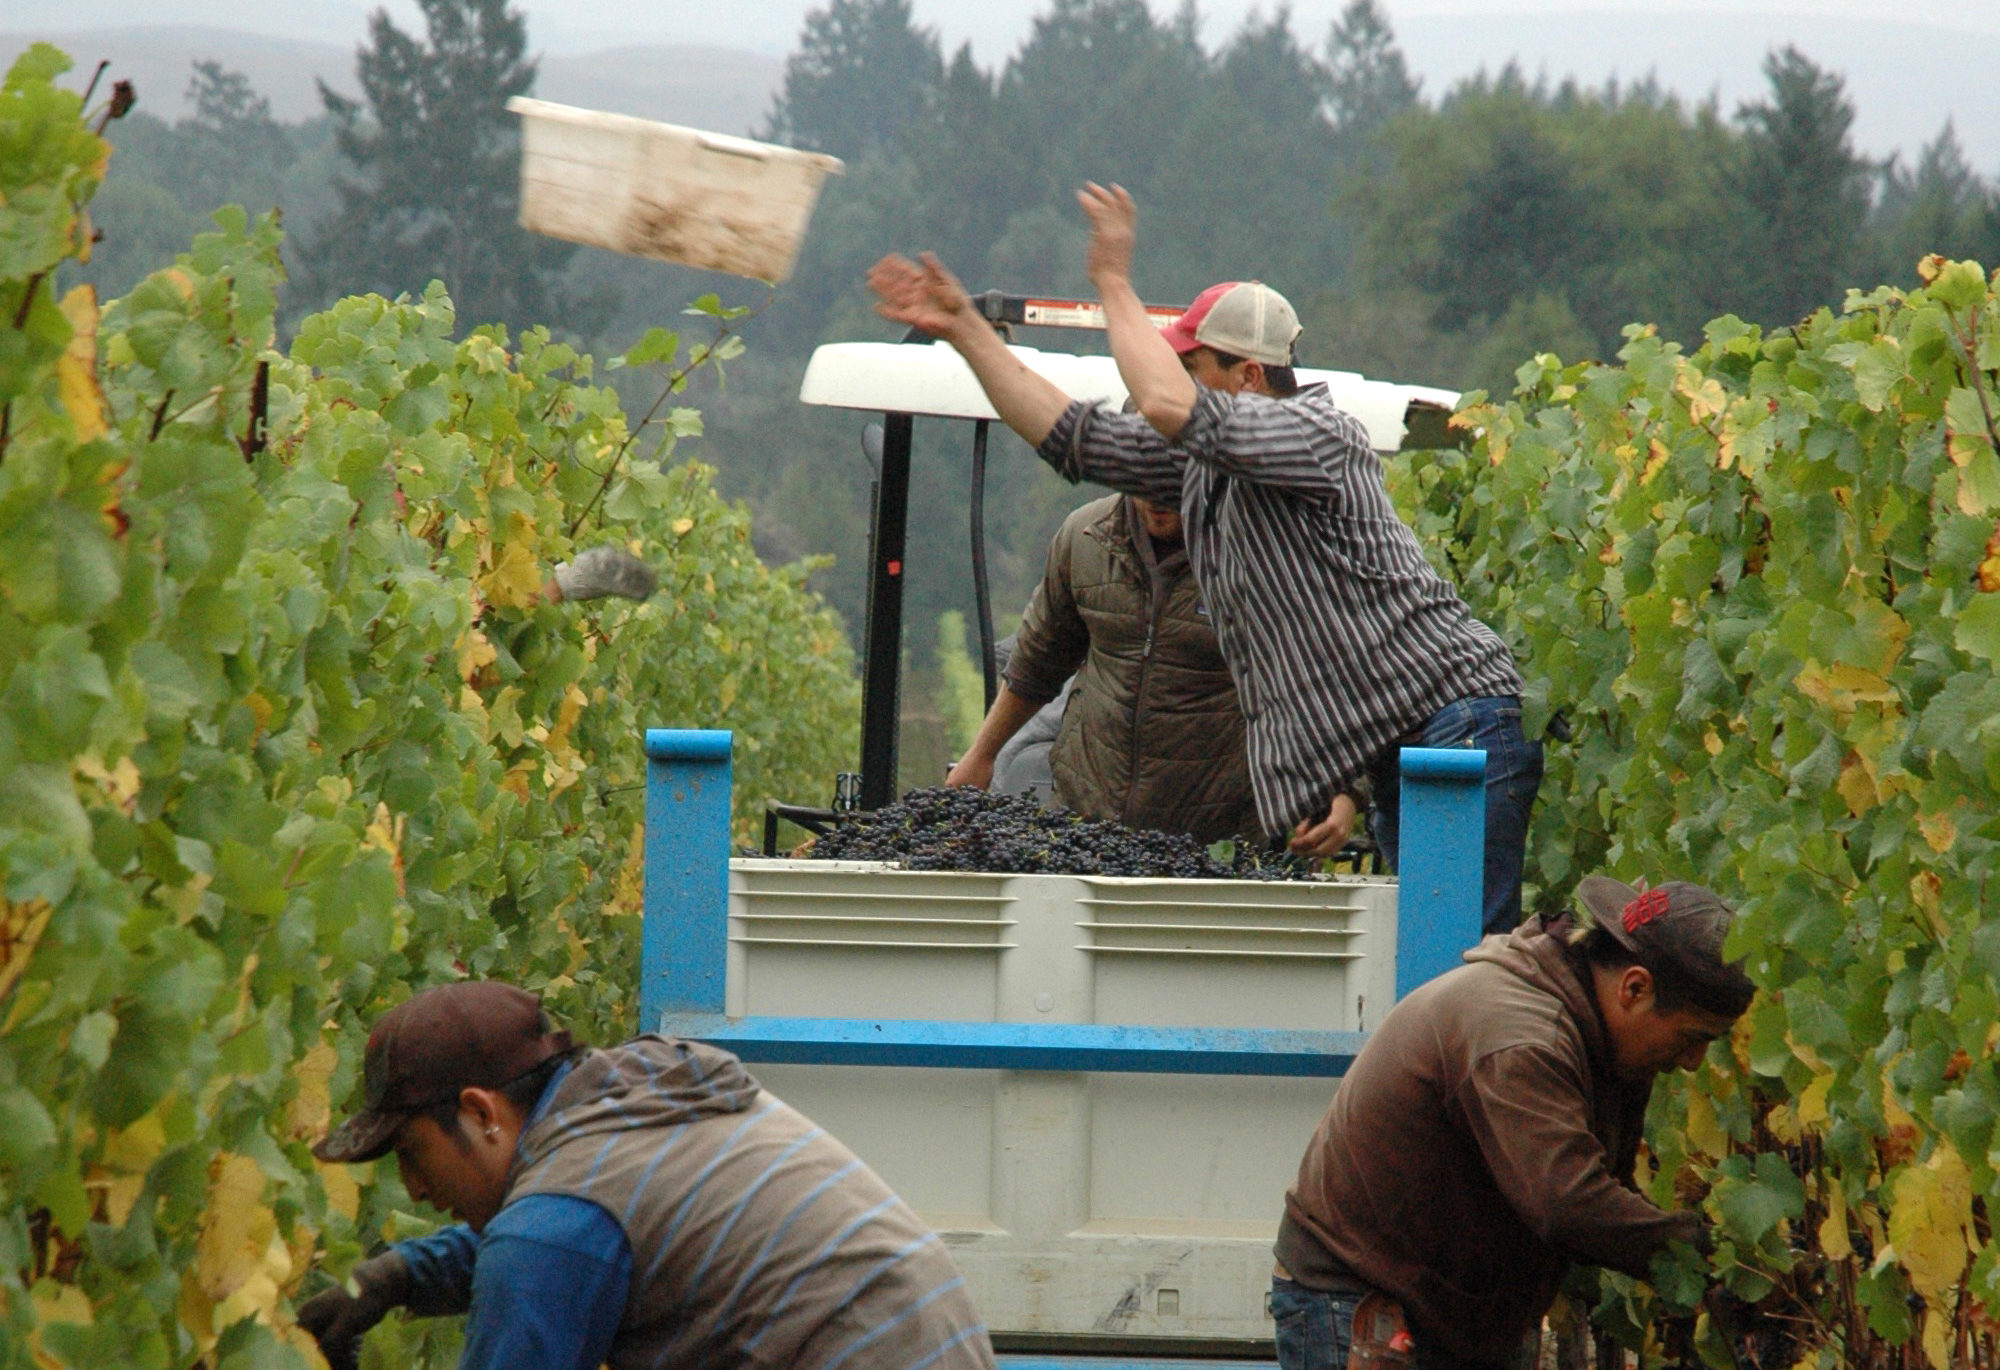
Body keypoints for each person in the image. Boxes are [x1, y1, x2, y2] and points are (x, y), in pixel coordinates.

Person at [868, 183, 1541, 934]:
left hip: (1459, 724)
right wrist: (967, 332)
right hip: (1405, 746)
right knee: (1433, 967)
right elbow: (1069, 435)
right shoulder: (1206, 477)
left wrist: (1114, 283)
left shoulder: (1322, 437)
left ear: (1249, 378)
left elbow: (1161, 405)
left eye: (1198, 369)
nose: (1183, 386)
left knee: (1460, 963)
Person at [297, 981, 994, 1370]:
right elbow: (591, 1235)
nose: (414, 1188)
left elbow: (552, 1240)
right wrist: (399, 1277)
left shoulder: (559, 1217)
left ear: (481, 1113)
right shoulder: (633, 1102)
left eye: (414, 1153)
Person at [1270, 876, 1757, 1369]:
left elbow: (1606, 1185)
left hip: (1444, 1302)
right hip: (1363, 1298)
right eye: (1694, 1036)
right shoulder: (1524, 1040)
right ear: (1634, 986)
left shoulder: (1607, 1035)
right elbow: (1570, 1203)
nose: (1695, 1060)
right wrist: (1707, 1253)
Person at [948, 491, 1260, 842]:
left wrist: (1328, 793)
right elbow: (1038, 660)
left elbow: (1313, 679)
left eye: (1171, 474)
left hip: (1216, 832)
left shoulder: (1261, 548)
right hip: (1086, 824)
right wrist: (981, 755)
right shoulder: (1086, 536)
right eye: (1143, 474)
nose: (1156, 494)